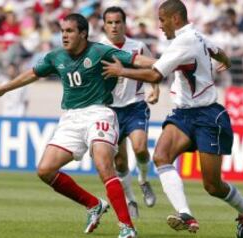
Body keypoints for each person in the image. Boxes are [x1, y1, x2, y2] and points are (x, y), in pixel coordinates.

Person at [0, 13, 155, 238]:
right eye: (63, 31)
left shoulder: (100, 51)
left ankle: (127, 227)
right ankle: (94, 204)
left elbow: (138, 60)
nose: (64, 35)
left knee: (104, 164)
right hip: (71, 118)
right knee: (45, 170)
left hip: (100, 112)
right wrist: (3, 88)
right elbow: (33, 74)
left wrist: (168, 63)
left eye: (70, 31)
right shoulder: (56, 56)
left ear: (83, 33)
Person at [102, 1, 243, 238]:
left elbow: (154, 73)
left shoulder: (185, 42)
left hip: (208, 116)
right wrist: (226, 61)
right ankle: (185, 214)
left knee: (212, 186)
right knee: (161, 156)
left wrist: (121, 71)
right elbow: (217, 50)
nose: (160, 25)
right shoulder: (195, 37)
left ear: (175, 18)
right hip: (183, 114)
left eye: (162, 20)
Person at [101, 6, 158, 218]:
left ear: (125, 24)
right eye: (110, 22)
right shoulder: (98, 47)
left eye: (118, 22)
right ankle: (130, 199)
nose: (114, 26)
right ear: (104, 25)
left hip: (135, 105)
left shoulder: (139, 47)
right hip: (109, 109)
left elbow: (155, 70)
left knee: (141, 148)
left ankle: (143, 180)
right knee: (120, 162)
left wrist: (155, 88)